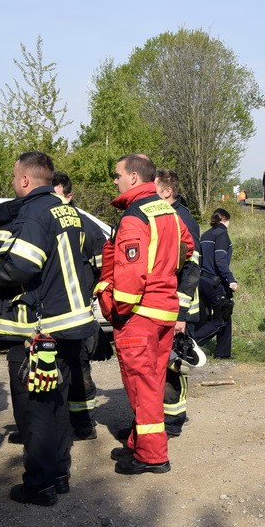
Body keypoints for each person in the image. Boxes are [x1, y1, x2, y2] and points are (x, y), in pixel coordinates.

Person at [0, 152, 98, 505]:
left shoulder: (33, 212)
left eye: (15, 178)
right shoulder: (68, 211)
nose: (14, 184)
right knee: (56, 404)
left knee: (37, 409)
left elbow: (21, 266)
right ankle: (58, 475)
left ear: (26, 180)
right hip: (69, 324)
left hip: (40, 331)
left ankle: (40, 485)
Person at [95, 154, 191, 475]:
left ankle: (152, 456)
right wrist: (165, 272)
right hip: (163, 310)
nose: (115, 180)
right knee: (151, 380)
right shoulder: (168, 210)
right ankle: (140, 442)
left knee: (143, 384)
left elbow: (130, 278)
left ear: (133, 177)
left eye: (117, 174)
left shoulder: (134, 217)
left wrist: (113, 306)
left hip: (139, 315)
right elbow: (186, 246)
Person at [51, 171, 107, 441]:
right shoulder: (43, 222)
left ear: (69, 196)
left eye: (56, 194)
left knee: (78, 366)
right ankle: (51, 422)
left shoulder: (85, 226)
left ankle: (84, 422)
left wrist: (89, 293)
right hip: (48, 313)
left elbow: (104, 266)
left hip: (77, 312)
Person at [154, 168, 204, 436]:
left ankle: (173, 422)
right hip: (168, 306)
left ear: (167, 192)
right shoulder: (168, 215)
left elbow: (191, 269)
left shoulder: (182, 219)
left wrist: (181, 314)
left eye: (154, 189)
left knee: (175, 366)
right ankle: (161, 419)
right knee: (162, 366)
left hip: (179, 309)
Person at [193, 208, 238, 360]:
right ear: (225, 219)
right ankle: (190, 343)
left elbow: (198, 259)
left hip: (202, 281)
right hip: (214, 282)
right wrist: (230, 279)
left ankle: (223, 353)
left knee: (226, 313)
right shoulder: (221, 234)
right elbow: (220, 259)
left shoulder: (205, 234)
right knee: (221, 320)